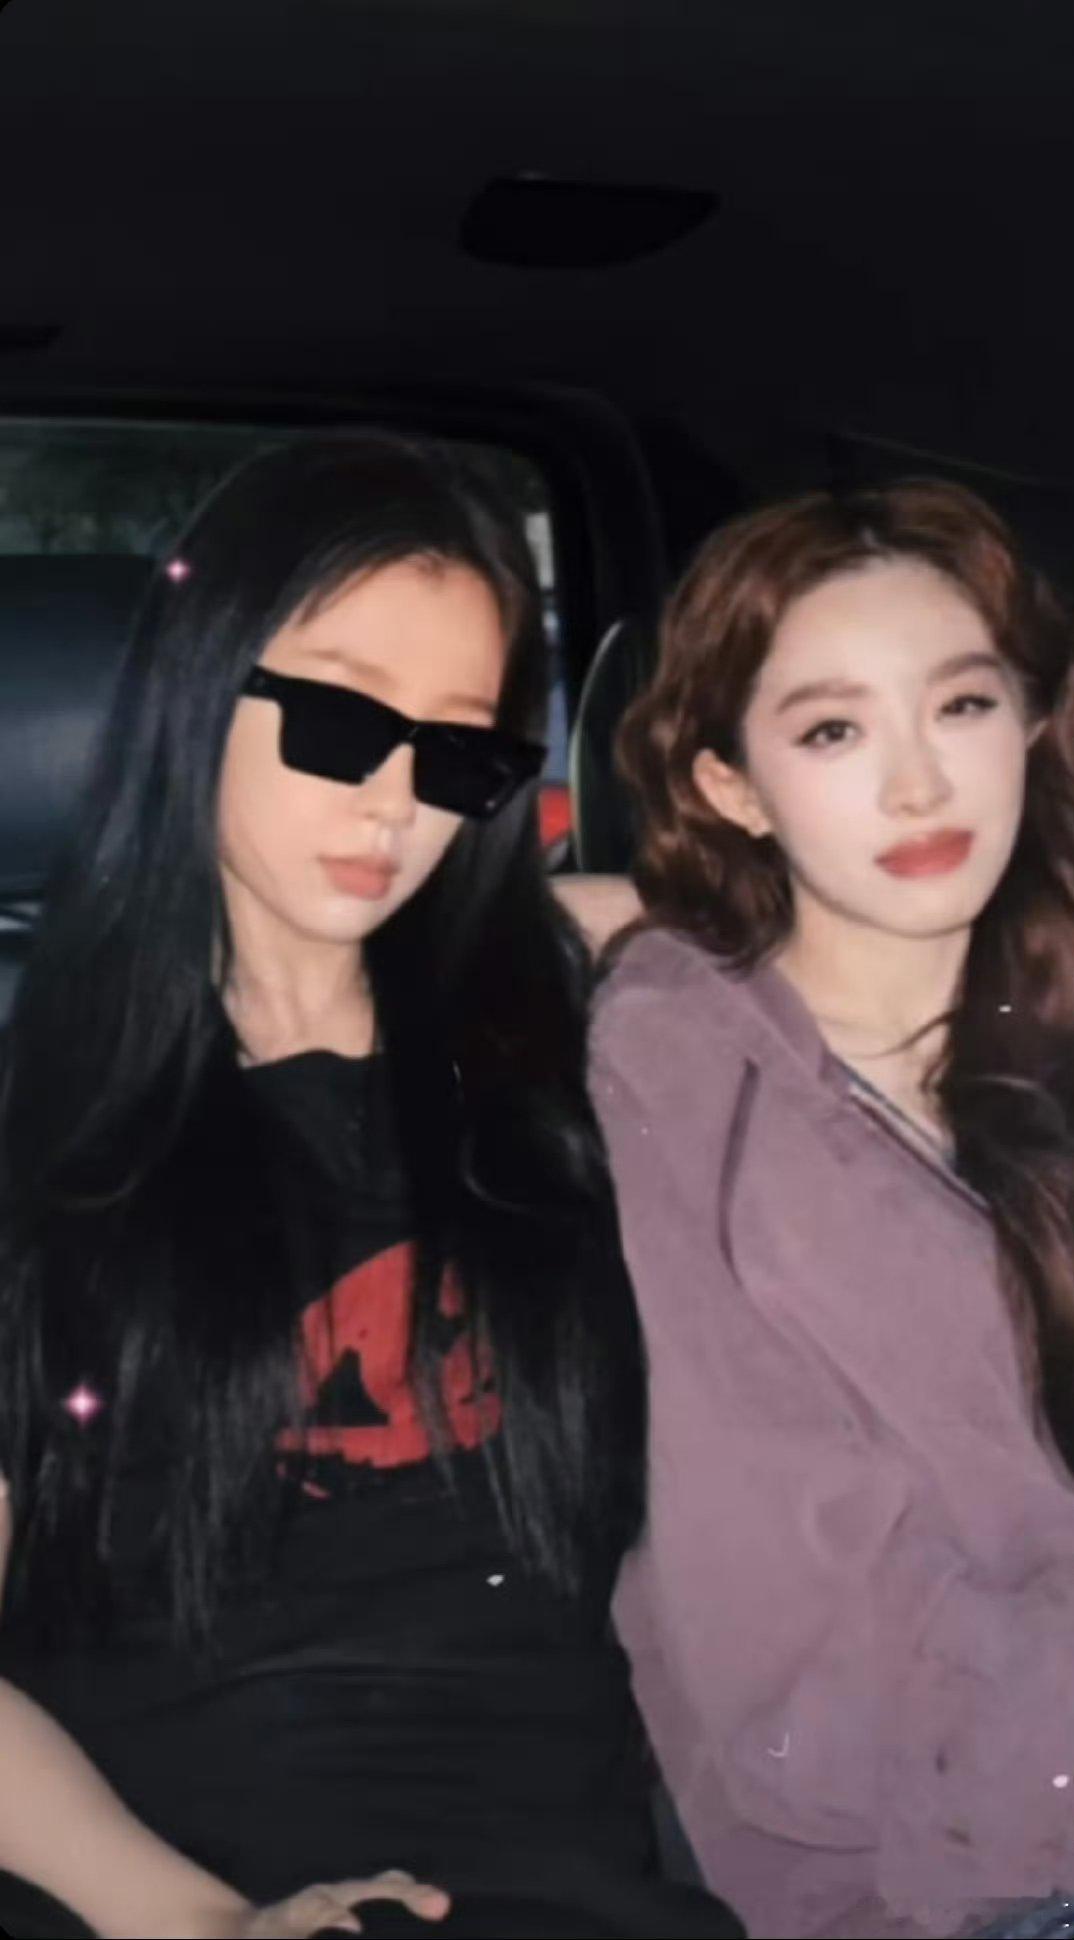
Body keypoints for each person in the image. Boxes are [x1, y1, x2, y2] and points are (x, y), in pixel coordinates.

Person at [0, 434, 739, 1940]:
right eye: (340, 720)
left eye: (459, 751)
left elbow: (894, 945)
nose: (397, 802)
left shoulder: (584, 1022)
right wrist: (200, 1922)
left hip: (588, 1898)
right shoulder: (35, 1126)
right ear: (198, 686)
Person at [587, 480, 1074, 1940]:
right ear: (733, 786)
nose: (920, 787)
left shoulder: (1048, 1012)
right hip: (951, 1866)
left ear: (1031, 724)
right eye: (832, 732)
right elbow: (793, 1625)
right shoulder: (683, 1069)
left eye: (963, 706)